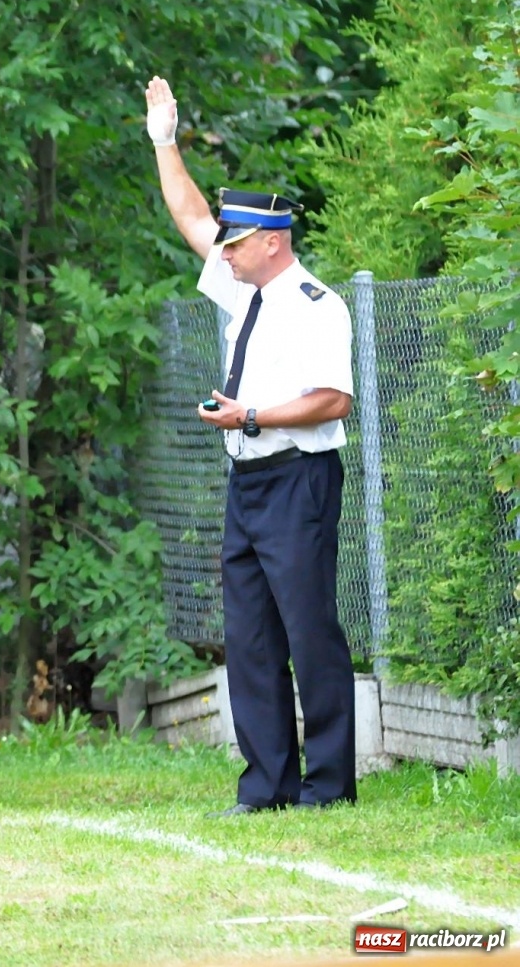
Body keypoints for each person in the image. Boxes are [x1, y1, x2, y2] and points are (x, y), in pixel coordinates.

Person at [146, 76, 357, 814]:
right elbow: (192, 215)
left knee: (310, 631)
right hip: (249, 480)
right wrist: (164, 140)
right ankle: (266, 784)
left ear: (272, 243)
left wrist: (253, 416)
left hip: (298, 475)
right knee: (252, 637)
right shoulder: (244, 284)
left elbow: (335, 399)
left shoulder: (317, 306)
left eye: (236, 244)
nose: (223, 253)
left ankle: (328, 787)